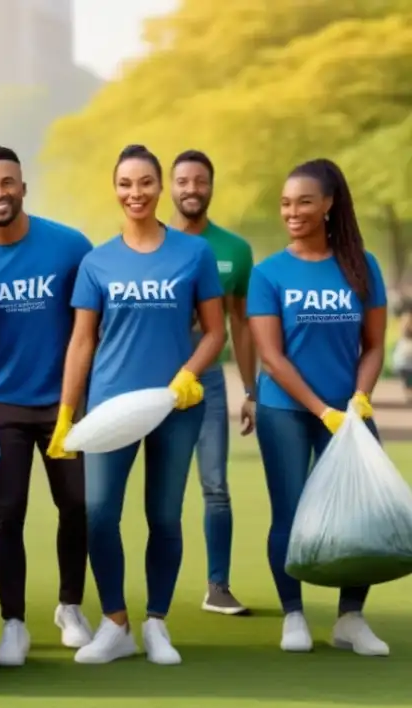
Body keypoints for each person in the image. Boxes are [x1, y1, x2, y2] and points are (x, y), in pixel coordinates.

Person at [47, 145, 226, 666]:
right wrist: (67, 414)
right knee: (100, 514)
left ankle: (156, 624)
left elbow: (216, 330)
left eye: (146, 183)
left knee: (164, 517)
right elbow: (82, 342)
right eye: (126, 184)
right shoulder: (96, 262)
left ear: (160, 187)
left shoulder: (194, 254)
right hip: (110, 407)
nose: (136, 194)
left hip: (176, 405)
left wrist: (189, 376)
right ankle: (115, 623)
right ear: (116, 189)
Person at [0, 146, 93, 666]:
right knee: (7, 514)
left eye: (7, 183)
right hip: (2, 406)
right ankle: (14, 623)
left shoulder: (69, 247)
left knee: (76, 506)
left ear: (22, 187)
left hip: (63, 405)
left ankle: (70, 607)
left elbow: (94, 321)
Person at [247, 158, 390, 656]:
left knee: (361, 515)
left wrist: (358, 400)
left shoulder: (361, 265)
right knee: (289, 513)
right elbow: (271, 355)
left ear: (328, 205)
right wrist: (320, 409)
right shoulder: (268, 274)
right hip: (284, 409)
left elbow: (374, 345)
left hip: (350, 411)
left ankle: (351, 617)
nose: (293, 211)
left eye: (304, 201)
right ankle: (294, 615)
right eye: (286, 203)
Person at [169, 150, 256, 616]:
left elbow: (240, 324)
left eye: (200, 181)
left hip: (209, 385)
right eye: (182, 181)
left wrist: (251, 390)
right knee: (143, 491)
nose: (191, 189)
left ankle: (217, 585)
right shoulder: (151, 244)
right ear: (171, 188)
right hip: (153, 381)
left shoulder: (234, 251)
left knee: (215, 486)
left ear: (211, 186)